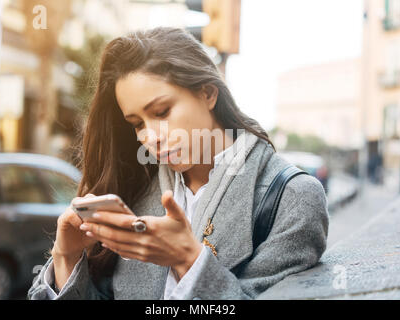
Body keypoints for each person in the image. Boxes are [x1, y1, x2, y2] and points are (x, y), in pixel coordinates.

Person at [28, 27, 329, 300]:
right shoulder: (135, 191)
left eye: (161, 112)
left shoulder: (292, 199)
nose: (150, 137)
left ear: (208, 93)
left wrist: (188, 260)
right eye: (136, 124)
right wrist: (65, 256)